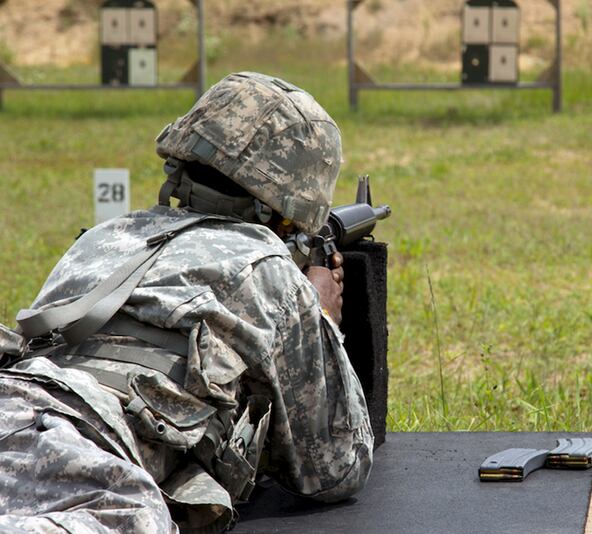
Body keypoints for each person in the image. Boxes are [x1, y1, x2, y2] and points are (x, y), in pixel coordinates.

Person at [0, 72, 374, 533]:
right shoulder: (271, 274)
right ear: (291, 205)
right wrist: (322, 316)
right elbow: (335, 467)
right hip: (91, 446)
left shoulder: (103, 238)